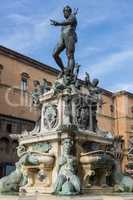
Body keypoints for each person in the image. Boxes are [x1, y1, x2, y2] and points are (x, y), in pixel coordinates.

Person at [50, 5, 78, 77]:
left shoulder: (72, 17)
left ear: (69, 12)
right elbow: (66, 22)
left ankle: (70, 74)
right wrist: (60, 24)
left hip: (70, 36)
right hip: (62, 38)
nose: (64, 14)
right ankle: (63, 70)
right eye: (63, 12)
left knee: (70, 56)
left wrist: (59, 23)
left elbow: (70, 21)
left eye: (65, 12)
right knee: (54, 54)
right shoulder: (65, 21)